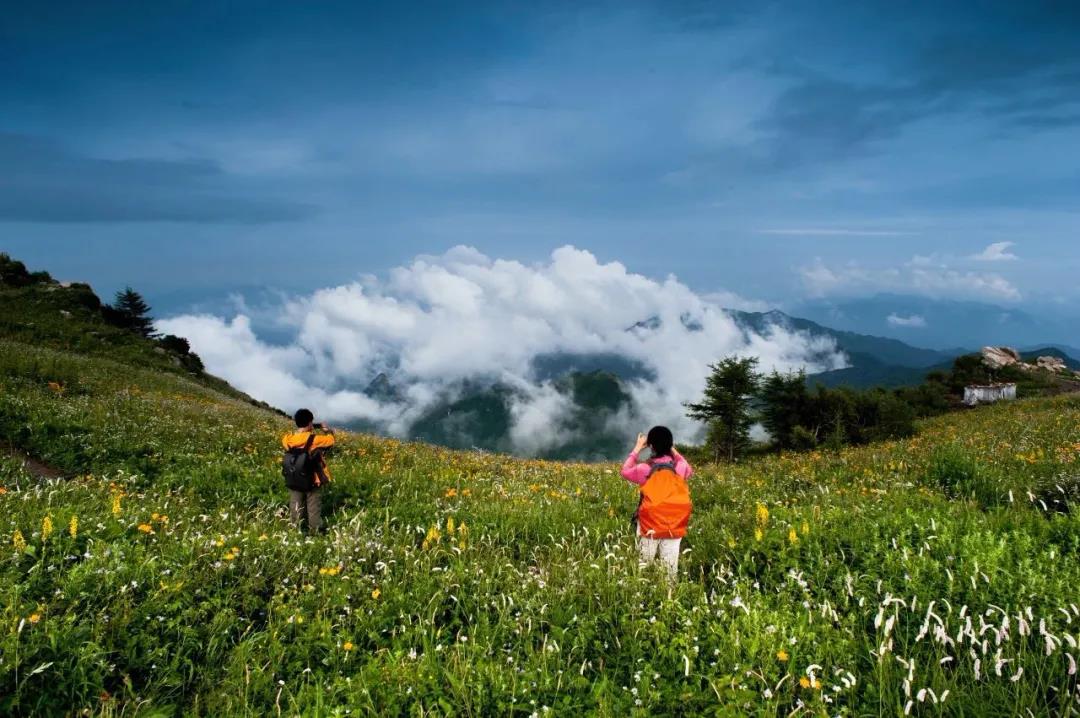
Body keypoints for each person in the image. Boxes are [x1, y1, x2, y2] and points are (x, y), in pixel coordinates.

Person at [620, 425, 693, 579]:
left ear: (651, 446)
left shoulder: (644, 469)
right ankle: (669, 597)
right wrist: (672, 449)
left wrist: (638, 447)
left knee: (643, 566)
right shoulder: (680, 467)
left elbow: (625, 471)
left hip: (649, 524)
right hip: (674, 524)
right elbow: (688, 468)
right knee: (670, 571)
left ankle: (640, 594)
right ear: (670, 444)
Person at [282, 408, 335, 533]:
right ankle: (315, 530)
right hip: (312, 478)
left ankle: (296, 527)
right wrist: (327, 430)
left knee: (295, 502)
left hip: (294, 477)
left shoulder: (287, 439)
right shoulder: (315, 439)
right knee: (313, 505)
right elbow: (331, 442)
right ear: (310, 423)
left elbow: (293, 441)